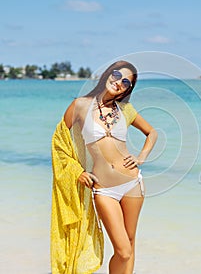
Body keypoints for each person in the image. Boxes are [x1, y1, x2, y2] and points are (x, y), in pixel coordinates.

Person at [51, 60, 157, 274]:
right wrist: (77, 172)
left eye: (126, 82)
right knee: (123, 250)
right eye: (117, 75)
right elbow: (59, 142)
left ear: (128, 89)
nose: (119, 82)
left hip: (132, 184)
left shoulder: (125, 109)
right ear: (108, 74)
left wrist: (141, 157)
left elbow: (152, 133)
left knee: (129, 242)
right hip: (103, 189)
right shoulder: (80, 105)